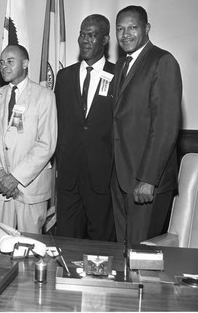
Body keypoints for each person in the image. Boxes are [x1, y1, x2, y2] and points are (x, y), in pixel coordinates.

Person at [112, 5, 182, 245]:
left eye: (133, 27)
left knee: (142, 257)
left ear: (147, 29)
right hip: (122, 177)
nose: (125, 34)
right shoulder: (122, 65)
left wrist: (148, 179)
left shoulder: (163, 61)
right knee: (125, 251)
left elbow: (165, 126)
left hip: (145, 182)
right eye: (120, 29)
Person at [0, 44, 57, 233]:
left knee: (31, 246)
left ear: (25, 63)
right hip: (0, 187)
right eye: (1, 62)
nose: (4, 66)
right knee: (1, 243)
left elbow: (46, 144)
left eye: (10, 61)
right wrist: (0, 174)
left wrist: (15, 178)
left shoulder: (44, 96)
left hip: (30, 188)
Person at [54, 14, 116, 241]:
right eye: (82, 34)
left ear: (105, 39)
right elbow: (57, 123)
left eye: (92, 35)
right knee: (66, 242)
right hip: (69, 177)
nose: (85, 40)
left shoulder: (118, 76)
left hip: (103, 177)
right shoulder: (64, 76)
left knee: (101, 245)